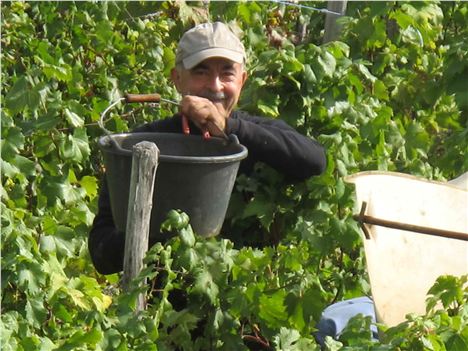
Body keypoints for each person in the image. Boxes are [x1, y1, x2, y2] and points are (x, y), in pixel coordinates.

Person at [88, 22, 327, 275]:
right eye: (201, 72)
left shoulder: (257, 135)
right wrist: (155, 237)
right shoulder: (141, 145)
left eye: (227, 74)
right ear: (177, 80)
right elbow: (101, 251)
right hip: (160, 305)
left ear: (242, 81)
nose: (215, 86)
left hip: (248, 297)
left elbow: (315, 161)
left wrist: (228, 126)